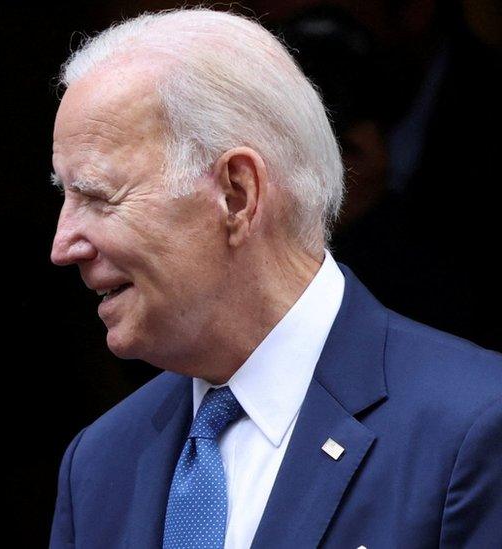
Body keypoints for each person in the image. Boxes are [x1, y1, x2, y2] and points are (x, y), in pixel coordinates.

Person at [48, 8, 502, 548]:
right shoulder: (99, 464)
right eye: (65, 199)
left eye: (99, 197)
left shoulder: (472, 428)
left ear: (236, 195)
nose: (63, 246)